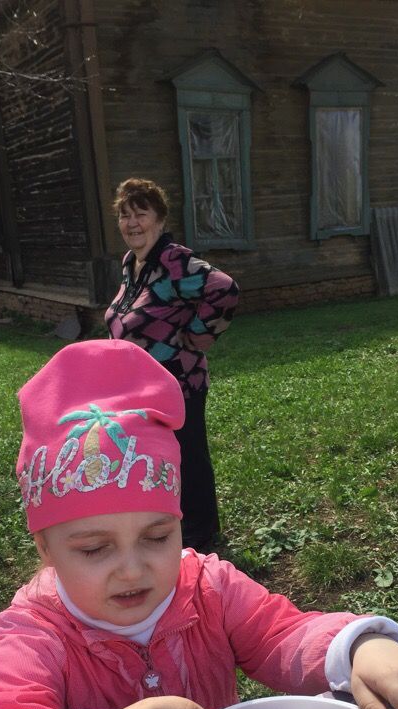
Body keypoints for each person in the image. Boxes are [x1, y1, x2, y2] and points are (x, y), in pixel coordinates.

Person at [0, 340, 398, 709]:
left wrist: (359, 648)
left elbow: (280, 634)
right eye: (94, 549)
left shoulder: (208, 587)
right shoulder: (30, 635)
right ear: (45, 549)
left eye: (158, 536)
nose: (133, 569)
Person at [104, 177, 238, 554]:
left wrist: (198, 334)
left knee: (188, 456)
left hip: (178, 381)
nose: (132, 223)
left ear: (159, 219)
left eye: (140, 214)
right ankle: (174, 524)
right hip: (141, 388)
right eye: (124, 216)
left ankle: (201, 536)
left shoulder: (173, 260)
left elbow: (224, 289)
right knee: (161, 458)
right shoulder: (133, 263)